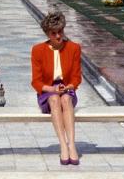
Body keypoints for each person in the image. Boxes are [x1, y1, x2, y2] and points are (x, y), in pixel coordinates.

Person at [31, 11, 82, 165]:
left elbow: (76, 78)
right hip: (47, 91)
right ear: (48, 34)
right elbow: (36, 82)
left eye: (60, 32)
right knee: (54, 99)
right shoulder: (38, 50)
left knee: (66, 99)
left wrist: (68, 87)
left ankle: (72, 145)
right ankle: (63, 146)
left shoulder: (74, 48)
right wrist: (52, 89)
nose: (58, 36)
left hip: (67, 88)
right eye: (54, 33)